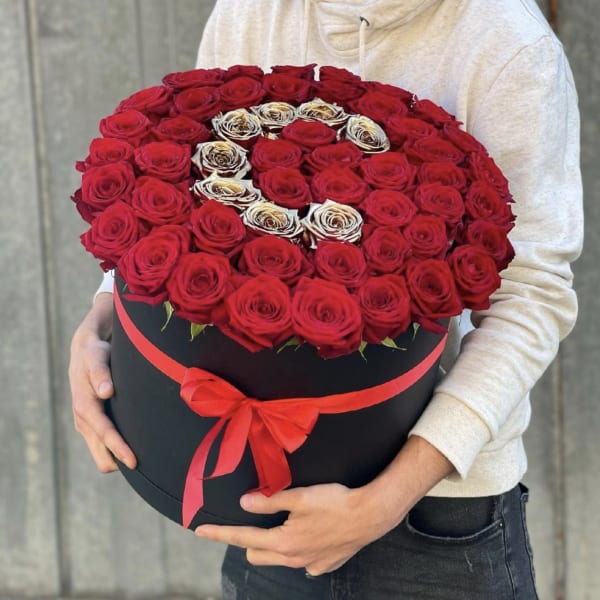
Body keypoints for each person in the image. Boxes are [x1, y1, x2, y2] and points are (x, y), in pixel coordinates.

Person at [69, 1, 583, 597]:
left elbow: (531, 293)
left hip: (437, 515)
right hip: (267, 496)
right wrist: (104, 319)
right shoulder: (252, 10)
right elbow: (179, 199)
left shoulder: (509, 46)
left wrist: (387, 498)